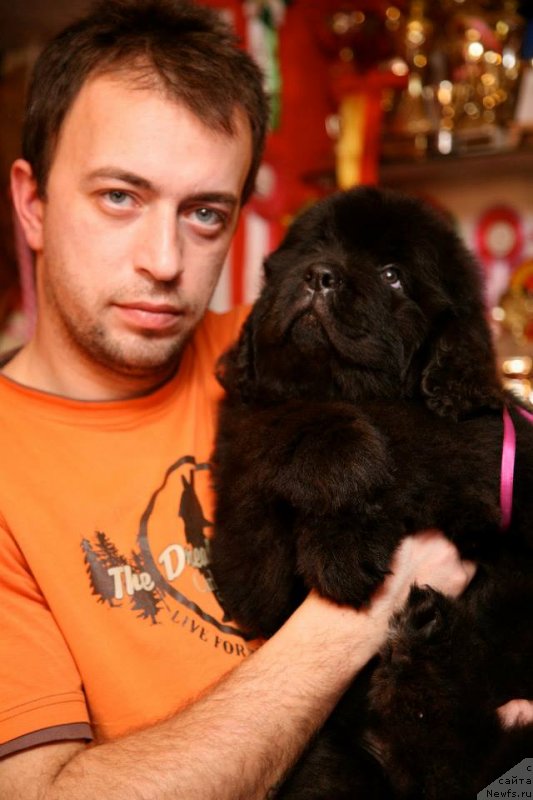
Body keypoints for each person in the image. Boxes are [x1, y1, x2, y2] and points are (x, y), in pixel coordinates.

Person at [0, 1, 478, 798]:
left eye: (204, 213)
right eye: (120, 196)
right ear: (34, 203)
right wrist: (362, 611)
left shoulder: (288, 346)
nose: (164, 260)